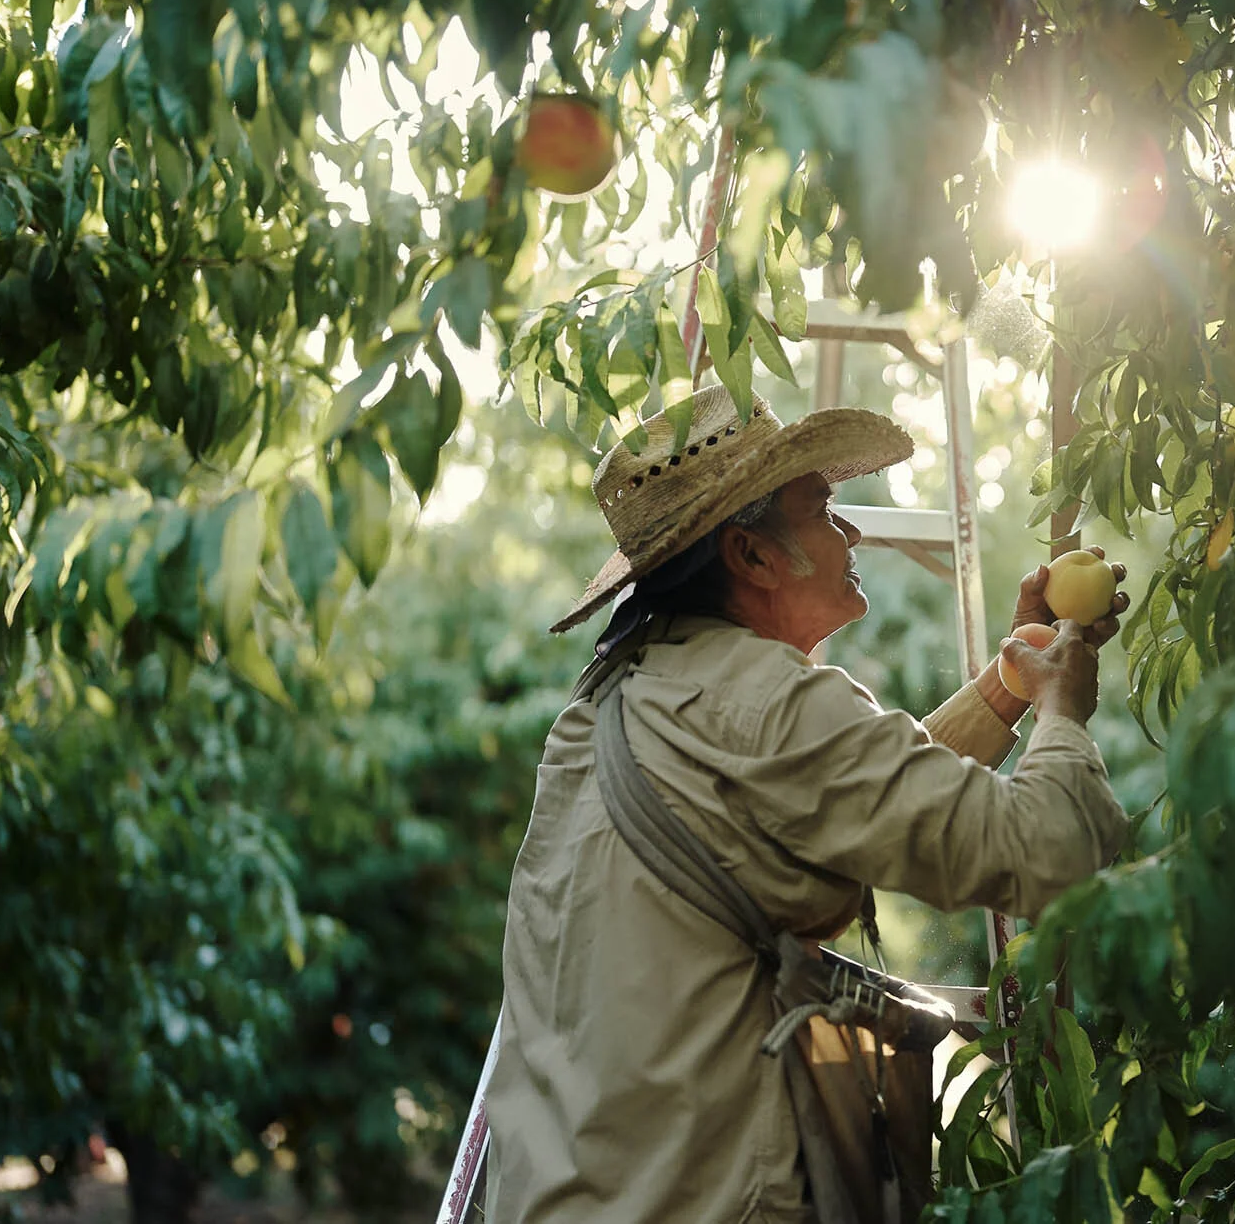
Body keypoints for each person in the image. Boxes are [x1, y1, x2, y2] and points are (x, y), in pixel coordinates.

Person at [484, 384, 1132, 1223]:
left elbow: (846, 790)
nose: (853, 529)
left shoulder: (611, 700)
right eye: (822, 507)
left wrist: (1011, 685)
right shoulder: (766, 702)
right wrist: (1062, 710)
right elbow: (1052, 849)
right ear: (752, 557)